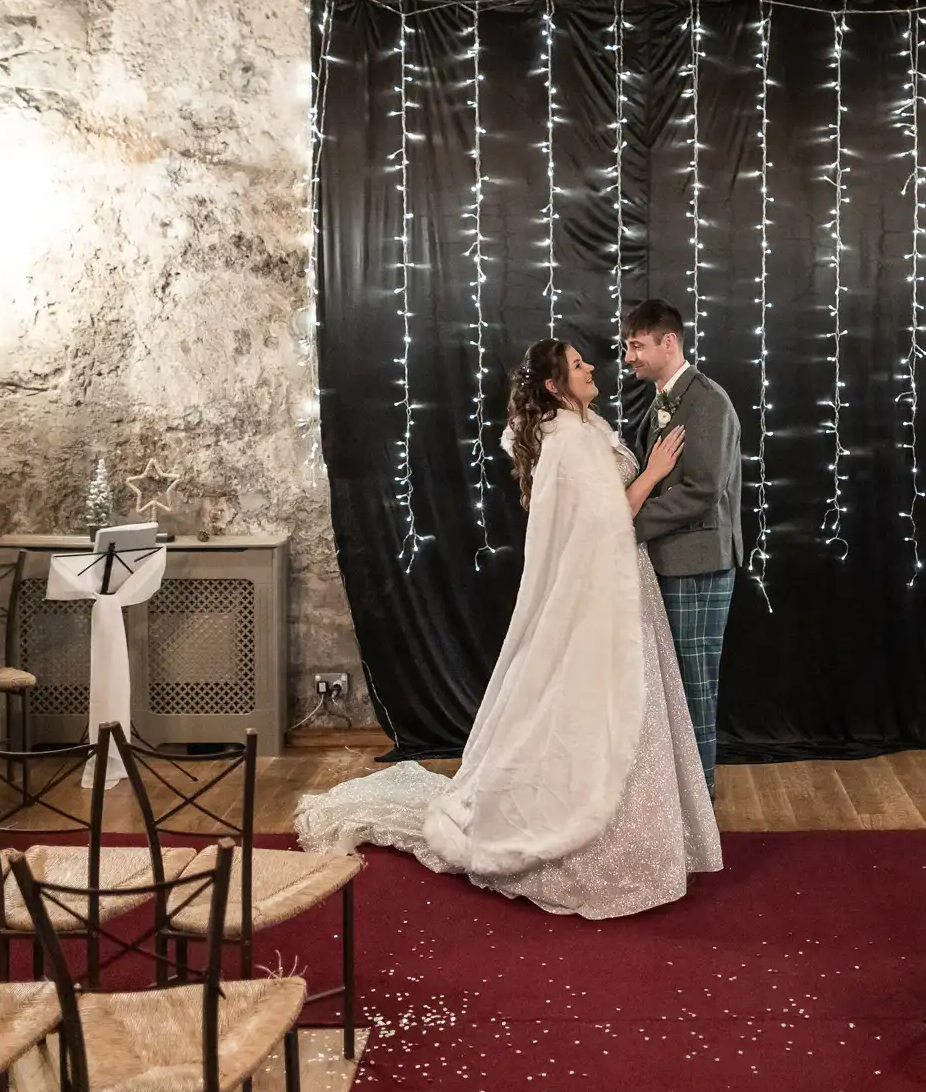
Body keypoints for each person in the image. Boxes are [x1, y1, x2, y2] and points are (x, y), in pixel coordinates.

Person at [293, 340, 722, 919]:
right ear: (554, 386)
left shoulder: (583, 425)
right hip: (601, 589)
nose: (591, 367)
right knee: (610, 706)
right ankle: (599, 846)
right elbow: (607, 518)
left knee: (626, 706)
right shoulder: (570, 441)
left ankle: (642, 833)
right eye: (577, 365)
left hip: (617, 582)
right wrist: (652, 473)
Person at [623, 300, 743, 797]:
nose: (629, 356)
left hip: (697, 562)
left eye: (637, 345)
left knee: (694, 685)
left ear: (668, 342)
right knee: (673, 686)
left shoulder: (707, 401)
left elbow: (702, 490)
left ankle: (702, 798)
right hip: (670, 561)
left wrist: (625, 524)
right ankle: (682, 799)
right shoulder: (663, 400)